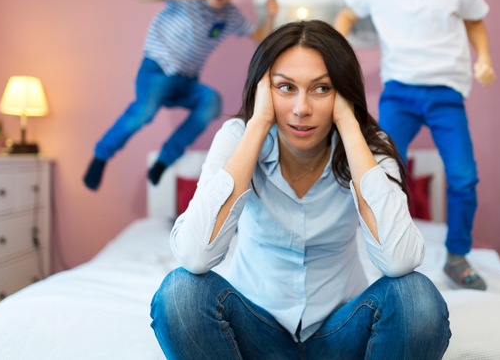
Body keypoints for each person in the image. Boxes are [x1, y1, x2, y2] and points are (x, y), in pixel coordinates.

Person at [150, 20, 451, 359]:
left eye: (321, 89)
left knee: (417, 298)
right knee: (180, 294)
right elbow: (195, 255)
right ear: (264, 89)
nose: (302, 109)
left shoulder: (370, 148)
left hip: (341, 334)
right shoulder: (238, 137)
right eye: (286, 87)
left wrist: (351, 126)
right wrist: (259, 123)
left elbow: (399, 261)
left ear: (343, 93)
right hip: (254, 332)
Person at [334, 0, 495, 290]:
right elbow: (346, 13)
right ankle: (389, 249)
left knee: (464, 177)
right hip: (398, 94)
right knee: (382, 172)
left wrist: (483, 57)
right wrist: (335, 54)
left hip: (445, 94)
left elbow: (474, 21)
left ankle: (456, 256)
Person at [83, 0, 278, 191]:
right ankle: (101, 155)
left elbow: (260, 37)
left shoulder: (230, 15)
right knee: (143, 113)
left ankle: (163, 160)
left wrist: (271, 17)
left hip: (187, 81)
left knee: (211, 102)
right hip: (156, 72)